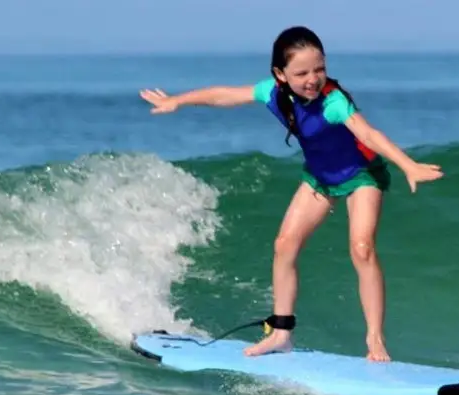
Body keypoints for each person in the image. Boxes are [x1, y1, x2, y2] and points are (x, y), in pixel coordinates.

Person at [140, 26, 443, 362]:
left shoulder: (333, 102)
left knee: (362, 249)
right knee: (284, 245)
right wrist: (177, 101)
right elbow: (225, 95)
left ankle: (375, 340)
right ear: (280, 74)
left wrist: (407, 165)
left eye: (320, 69)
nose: (313, 79)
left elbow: (368, 134)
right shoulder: (271, 92)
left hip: (361, 175)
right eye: (302, 73)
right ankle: (281, 334)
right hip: (319, 177)